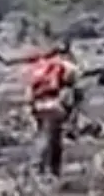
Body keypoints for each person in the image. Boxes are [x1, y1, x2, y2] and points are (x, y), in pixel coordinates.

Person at [24, 44, 81, 178]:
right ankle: (42, 169)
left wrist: (30, 107)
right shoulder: (63, 65)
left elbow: (29, 90)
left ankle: (47, 171)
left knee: (48, 135)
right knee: (50, 138)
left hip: (38, 106)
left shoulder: (39, 67)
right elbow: (73, 79)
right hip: (55, 105)